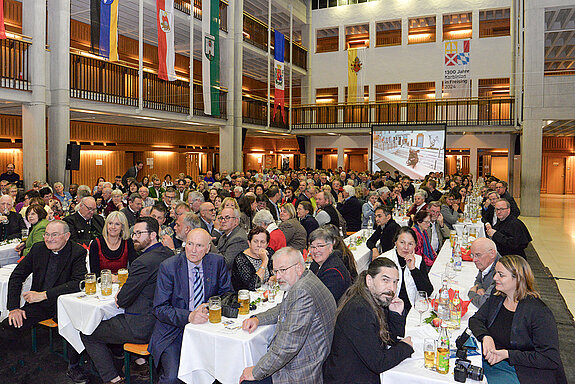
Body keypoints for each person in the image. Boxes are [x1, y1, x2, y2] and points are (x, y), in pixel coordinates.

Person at [79, 217, 173, 384]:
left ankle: (113, 379)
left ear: (152, 235)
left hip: (144, 327)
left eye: (139, 233)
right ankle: (140, 363)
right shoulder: (168, 253)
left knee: (88, 331)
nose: (134, 237)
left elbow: (122, 300)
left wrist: (123, 292)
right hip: (165, 323)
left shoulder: (142, 262)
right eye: (134, 233)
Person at [0, 221, 86, 375]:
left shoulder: (77, 252)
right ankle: (14, 369)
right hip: (39, 305)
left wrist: (44, 295)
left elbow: (77, 283)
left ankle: (74, 366)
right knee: (7, 326)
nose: (49, 238)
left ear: (66, 236)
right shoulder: (38, 248)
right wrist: (13, 308)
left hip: (64, 304)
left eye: (54, 235)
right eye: (47, 234)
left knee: (76, 328)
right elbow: (17, 276)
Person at [240, 247, 336, 384]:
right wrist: (258, 319)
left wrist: (256, 372)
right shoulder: (306, 279)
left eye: (283, 270)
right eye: (276, 271)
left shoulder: (302, 292)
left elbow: (287, 347)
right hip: (314, 356)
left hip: (302, 371)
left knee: (246, 378)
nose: (278, 277)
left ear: (298, 267)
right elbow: (285, 306)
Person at [149, 228, 232, 384]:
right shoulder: (169, 267)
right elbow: (159, 308)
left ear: (208, 248)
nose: (193, 250)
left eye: (199, 246)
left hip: (208, 328)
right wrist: (189, 316)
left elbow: (227, 294)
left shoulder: (217, 262)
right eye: (190, 244)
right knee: (174, 378)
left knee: (222, 372)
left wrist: (209, 305)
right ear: (184, 244)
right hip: (174, 330)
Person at [469, 255, 567, 384]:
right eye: (495, 273)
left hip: (523, 371)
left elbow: (549, 358)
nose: (494, 278)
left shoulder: (539, 312)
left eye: (501, 275)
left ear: (518, 279)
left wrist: (508, 354)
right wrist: (486, 336)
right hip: (496, 361)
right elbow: (476, 320)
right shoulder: (498, 296)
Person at [323, 258, 414, 383]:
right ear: (369, 281)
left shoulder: (376, 299)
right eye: (385, 280)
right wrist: (406, 347)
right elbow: (379, 363)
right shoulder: (359, 310)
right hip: (349, 378)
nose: (391, 288)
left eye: (395, 282)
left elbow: (390, 341)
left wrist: (395, 314)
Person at [378, 227, 433, 314]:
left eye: (410, 244)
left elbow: (427, 291)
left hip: (412, 308)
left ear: (415, 245)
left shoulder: (418, 260)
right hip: (388, 308)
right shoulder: (384, 259)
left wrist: (413, 269)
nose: (406, 247)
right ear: (395, 242)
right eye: (402, 243)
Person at [308, 228, 352, 302]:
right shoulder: (316, 264)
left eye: (320, 246)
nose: (315, 251)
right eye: (312, 247)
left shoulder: (333, 272)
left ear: (330, 247)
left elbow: (324, 302)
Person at [88, 211, 137, 277]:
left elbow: (134, 267)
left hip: (123, 282)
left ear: (122, 227)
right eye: (110, 223)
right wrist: (109, 277)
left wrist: (118, 278)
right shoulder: (96, 244)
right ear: (106, 225)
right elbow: (94, 272)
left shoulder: (128, 242)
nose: (113, 227)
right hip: (103, 283)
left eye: (117, 224)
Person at [231, 227, 272, 292]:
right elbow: (253, 286)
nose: (259, 245)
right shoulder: (241, 259)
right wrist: (264, 262)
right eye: (255, 241)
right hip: (247, 298)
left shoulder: (269, 253)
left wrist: (274, 278)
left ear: (267, 244)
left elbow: (275, 274)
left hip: (266, 294)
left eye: (262, 242)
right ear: (249, 243)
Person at [468, 237, 501, 309]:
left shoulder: (500, 273)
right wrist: (480, 288)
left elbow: (484, 303)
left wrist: (471, 293)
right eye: (472, 255)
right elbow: (478, 280)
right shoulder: (486, 263)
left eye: (478, 255)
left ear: (492, 253)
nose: (474, 260)